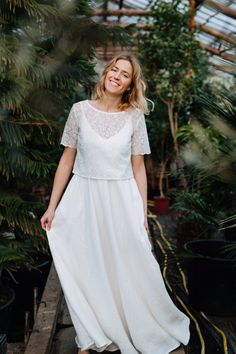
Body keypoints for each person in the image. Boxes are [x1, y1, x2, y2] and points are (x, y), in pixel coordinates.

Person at [40, 53, 190, 354]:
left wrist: (142, 212)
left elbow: (138, 168)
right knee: (86, 266)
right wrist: (52, 206)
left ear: (129, 86)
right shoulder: (79, 111)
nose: (116, 76)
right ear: (106, 73)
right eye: (114, 70)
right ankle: (89, 334)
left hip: (121, 201)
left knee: (126, 265)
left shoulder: (134, 117)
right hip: (83, 198)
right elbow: (66, 161)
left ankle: (134, 323)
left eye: (124, 75)